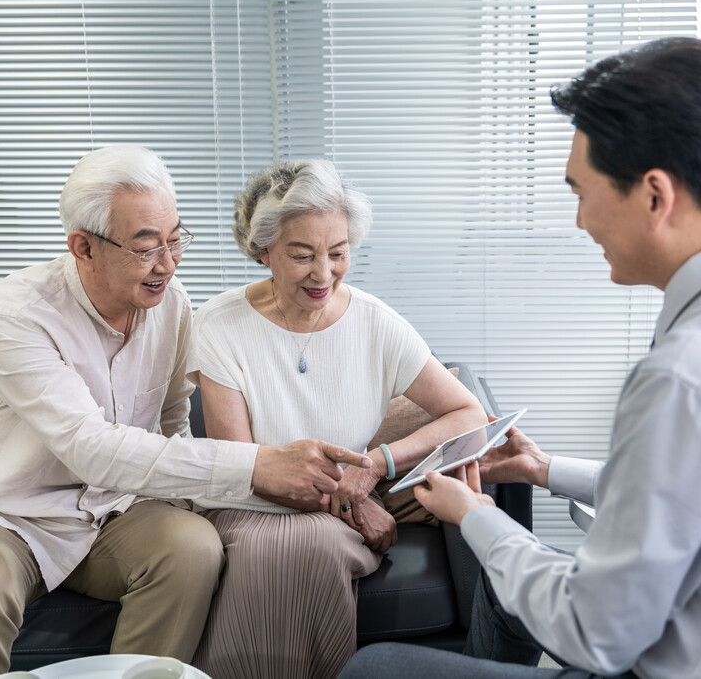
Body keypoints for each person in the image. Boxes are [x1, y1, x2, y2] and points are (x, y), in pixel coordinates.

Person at [339, 37, 701, 679]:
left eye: (581, 191)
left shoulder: (688, 374)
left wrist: (477, 517)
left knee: (376, 670)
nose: (579, 221)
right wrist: (544, 470)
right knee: (511, 593)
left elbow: (596, 632)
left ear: (655, 195)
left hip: (682, 659)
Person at [0, 145, 371, 679]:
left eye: (176, 241)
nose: (167, 265)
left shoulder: (172, 306)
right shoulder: (17, 313)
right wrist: (256, 465)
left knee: (192, 547)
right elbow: (91, 448)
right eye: (148, 247)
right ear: (84, 247)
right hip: (11, 516)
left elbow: (172, 422)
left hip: (117, 511)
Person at [187, 159, 488, 679]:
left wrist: (376, 464)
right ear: (264, 251)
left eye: (339, 253)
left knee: (317, 543)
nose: (323, 273)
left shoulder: (376, 322)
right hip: (249, 505)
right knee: (293, 548)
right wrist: (353, 506)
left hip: (339, 509)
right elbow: (240, 465)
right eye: (302, 255)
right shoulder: (218, 325)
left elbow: (468, 414)